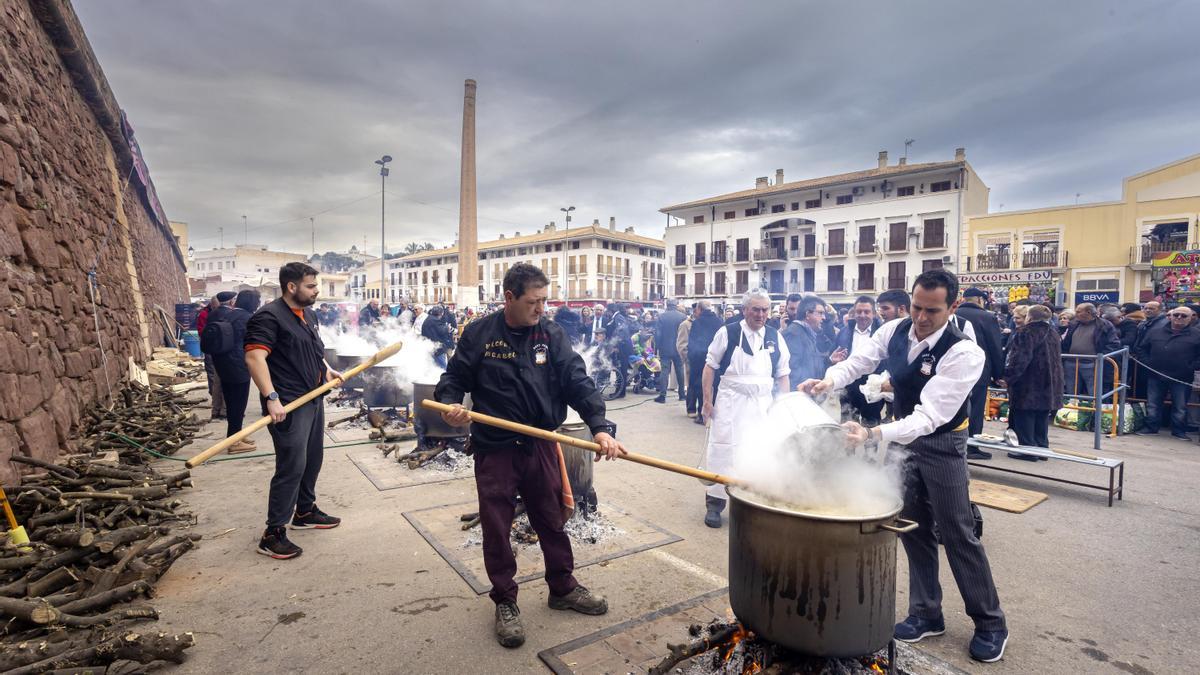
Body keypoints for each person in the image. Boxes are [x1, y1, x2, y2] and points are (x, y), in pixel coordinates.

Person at [798, 269, 1008, 663]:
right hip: (900, 438)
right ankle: (927, 613)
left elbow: (929, 417)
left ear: (953, 306)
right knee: (912, 527)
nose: (921, 317)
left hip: (942, 441)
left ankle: (990, 622)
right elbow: (860, 361)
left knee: (957, 530)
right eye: (916, 307)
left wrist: (874, 434)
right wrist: (829, 380)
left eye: (932, 310)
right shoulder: (895, 329)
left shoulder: (965, 352)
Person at [434, 263, 626, 648]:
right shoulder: (480, 334)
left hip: (539, 444)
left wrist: (601, 427)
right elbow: (453, 379)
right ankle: (505, 600)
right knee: (497, 526)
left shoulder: (550, 334)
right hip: (495, 447)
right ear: (509, 298)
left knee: (551, 519)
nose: (541, 308)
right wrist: (450, 404)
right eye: (533, 301)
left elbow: (577, 381)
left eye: (544, 300)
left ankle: (562, 588)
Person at [244, 262, 344, 560]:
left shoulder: (308, 314)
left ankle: (305, 511)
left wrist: (327, 370)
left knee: (313, 458)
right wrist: (271, 397)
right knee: (291, 466)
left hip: (313, 398)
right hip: (288, 404)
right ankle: (273, 532)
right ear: (291, 287)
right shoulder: (268, 317)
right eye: (311, 286)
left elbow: (315, 351)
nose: (317, 291)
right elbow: (254, 358)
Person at [701, 289, 791, 528]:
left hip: (762, 404)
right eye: (756, 309)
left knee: (759, 452)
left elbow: (783, 375)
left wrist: (783, 405)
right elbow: (710, 367)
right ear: (745, 310)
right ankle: (715, 504)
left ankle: (752, 504)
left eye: (765, 310)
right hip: (730, 401)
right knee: (723, 449)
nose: (761, 314)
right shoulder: (727, 332)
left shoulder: (775, 336)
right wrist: (707, 402)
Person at [1003, 305, 1063, 456]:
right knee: (1042, 416)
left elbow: (1019, 359)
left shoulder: (1026, 332)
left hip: (1029, 381)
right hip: (1050, 381)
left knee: (1025, 415)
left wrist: (1008, 377)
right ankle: (1041, 448)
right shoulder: (1054, 333)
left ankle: (1027, 450)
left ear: (1029, 317)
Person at [1135, 305, 1200, 440]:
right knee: (1153, 404)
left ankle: (1178, 431)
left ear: (1191, 318)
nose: (1179, 318)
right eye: (1176, 315)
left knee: (1180, 406)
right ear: (1170, 316)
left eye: (1183, 316)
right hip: (1155, 374)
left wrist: (1191, 366)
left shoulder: (1197, 334)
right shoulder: (1155, 332)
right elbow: (1141, 348)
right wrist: (1149, 363)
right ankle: (1151, 428)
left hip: (1182, 377)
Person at [208, 290, 261, 453]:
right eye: (257, 301)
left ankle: (236, 435)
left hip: (222, 363)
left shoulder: (222, 313)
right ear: (253, 303)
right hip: (238, 366)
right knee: (238, 404)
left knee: (232, 402)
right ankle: (234, 443)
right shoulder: (246, 318)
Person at [955, 288, 1006, 440]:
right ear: (979, 300)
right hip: (979, 370)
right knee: (976, 408)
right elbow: (994, 347)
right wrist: (998, 374)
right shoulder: (987, 317)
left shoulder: (953, 315)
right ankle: (972, 444)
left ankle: (955, 440)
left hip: (954, 368)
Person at [834, 296, 884, 424]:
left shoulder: (882, 333)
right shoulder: (844, 332)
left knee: (871, 425)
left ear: (873, 313)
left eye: (866, 312)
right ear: (853, 313)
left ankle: (871, 444)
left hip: (872, 386)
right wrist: (833, 360)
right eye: (859, 311)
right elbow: (834, 354)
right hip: (849, 385)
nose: (862, 315)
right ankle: (849, 444)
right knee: (848, 424)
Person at [1061, 303, 1121, 398]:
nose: (1076, 313)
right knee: (1071, 393)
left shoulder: (1104, 325)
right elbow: (1066, 342)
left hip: (1091, 364)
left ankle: (1094, 412)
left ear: (1088, 312)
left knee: (1093, 393)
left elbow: (1114, 344)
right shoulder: (1074, 324)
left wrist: (1100, 358)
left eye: (1078, 311)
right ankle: (1073, 411)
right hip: (1071, 363)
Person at [781, 295, 829, 390]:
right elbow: (791, 372)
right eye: (820, 313)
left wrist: (830, 360)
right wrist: (800, 396)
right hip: (799, 397)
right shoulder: (793, 334)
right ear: (807, 314)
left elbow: (810, 364)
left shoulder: (806, 333)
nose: (824, 318)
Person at [687, 301, 722, 424]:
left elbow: (692, 343)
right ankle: (715, 414)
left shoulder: (697, 323)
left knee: (700, 387)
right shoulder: (719, 322)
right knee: (715, 386)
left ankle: (702, 415)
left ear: (700, 309)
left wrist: (690, 358)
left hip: (699, 359)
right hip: (717, 360)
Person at [197, 296, 226, 420]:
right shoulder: (205, 314)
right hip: (213, 349)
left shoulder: (212, 313)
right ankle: (220, 408)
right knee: (215, 378)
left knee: (217, 379)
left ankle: (217, 408)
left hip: (216, 349)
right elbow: (201, 331)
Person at [654, 300, 687, 404]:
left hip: (665, 348)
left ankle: (662, 396)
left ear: (667, 305)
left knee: (664, 371)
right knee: (680, 371)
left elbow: (658, 334)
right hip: (678, 347)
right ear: (676, 305)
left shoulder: (662, 317)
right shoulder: (682, 316)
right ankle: (682, 394)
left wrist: (658, 347)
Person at [603, 304, 635, 400]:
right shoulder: (617, 317)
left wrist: (617, 346)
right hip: (622, 347)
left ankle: (621, 392)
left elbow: (622, 332)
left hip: (622, 348)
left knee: (622, 370)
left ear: (610, 310)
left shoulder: (618, 317)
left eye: (607, 311)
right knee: (620, 370)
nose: (606, 313)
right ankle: (620, 391)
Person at [676, 304, 694, 409]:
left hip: (671, 349)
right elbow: (682, 343)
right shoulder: (685, 324)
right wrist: (686, 356)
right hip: (688, 356)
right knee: (689, 381)